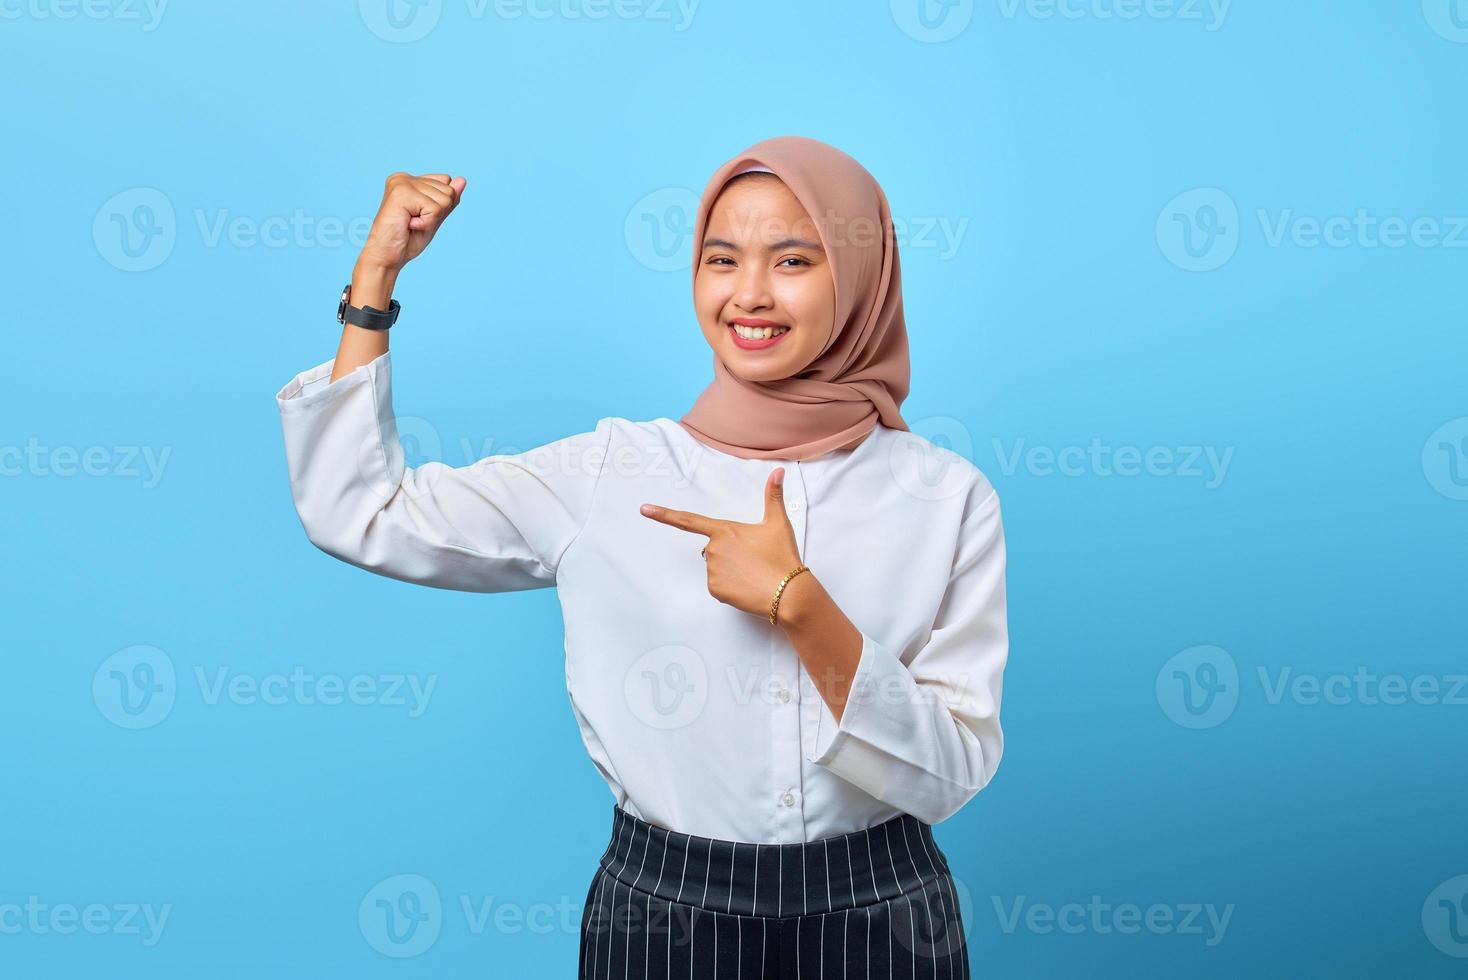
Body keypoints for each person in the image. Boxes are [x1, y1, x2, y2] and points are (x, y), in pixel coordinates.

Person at [275, 135, 1008, 978]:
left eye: (795, 260)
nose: (750, 295)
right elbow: (358, 509)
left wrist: (803, 609)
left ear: (860, 275)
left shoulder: (947, 496)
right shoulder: (609, 473)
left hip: (882, 918)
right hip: (663, 918)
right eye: (722, 259)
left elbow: (951, 776)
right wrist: (374, 287)